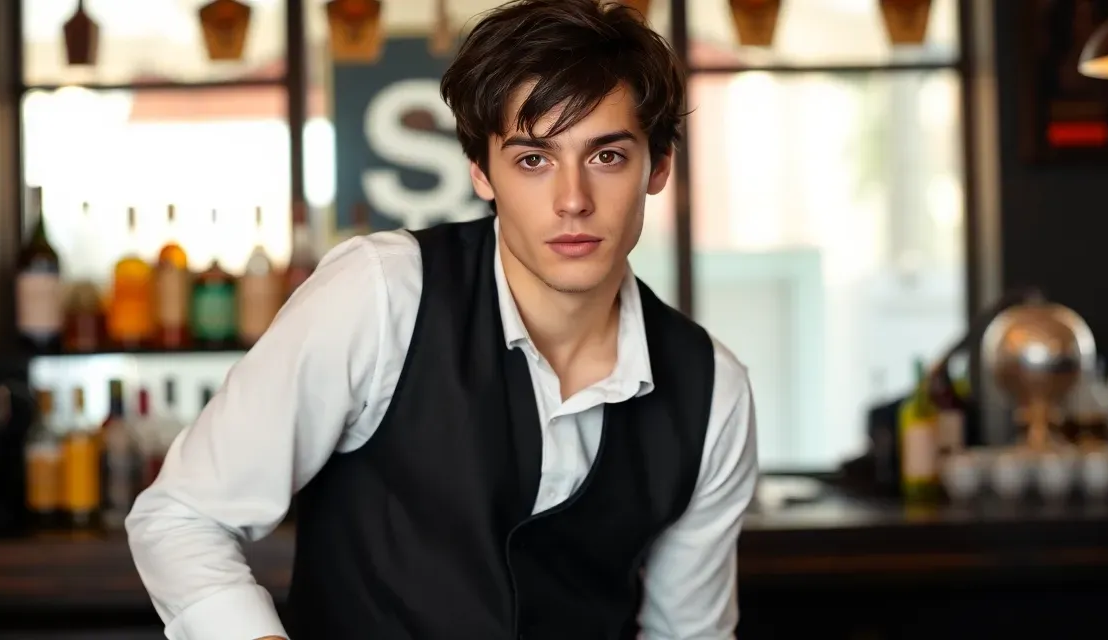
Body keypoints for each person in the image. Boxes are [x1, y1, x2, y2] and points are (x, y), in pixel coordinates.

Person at [125, 0, 759, 638]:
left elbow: (689, 633)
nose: (572, 201)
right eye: (533, 159)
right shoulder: (380, 295)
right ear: (481, 172)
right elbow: (183, 517)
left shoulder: (712, 390)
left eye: (607, 156)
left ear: (659, 165)